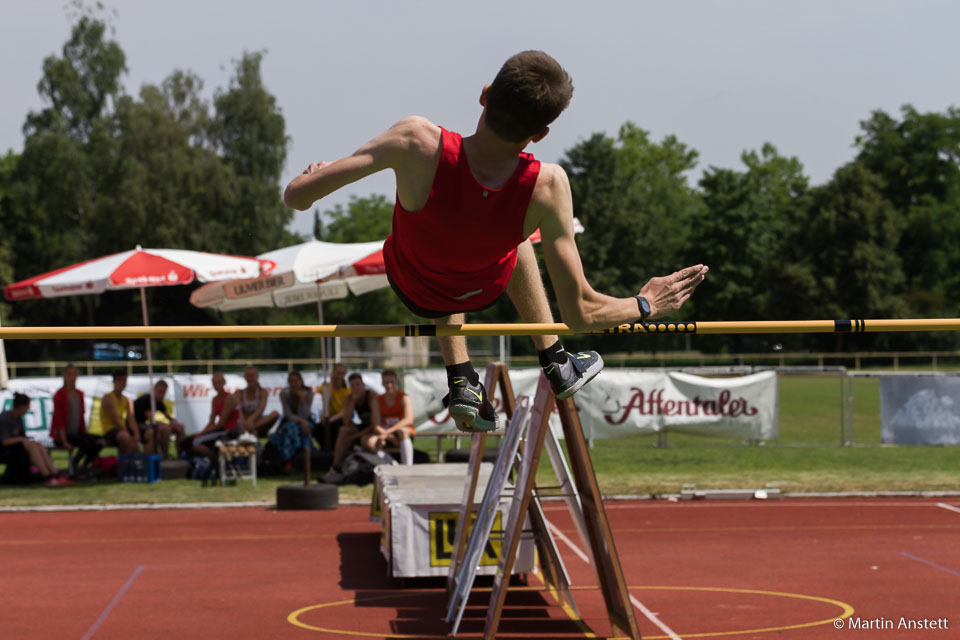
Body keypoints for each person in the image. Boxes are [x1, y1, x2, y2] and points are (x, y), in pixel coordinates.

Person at [284, 50, 708, 433]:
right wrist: (647, 303)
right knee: (517, 234)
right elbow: (582, 313)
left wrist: (312, 176)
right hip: (481, 286)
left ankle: (463, 379)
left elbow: (296, 198)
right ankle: (555, 360)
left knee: (460, 239)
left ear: (485, 95)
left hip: (415, 285)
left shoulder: (415, 140)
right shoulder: (547, 186)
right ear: (540, 133)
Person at [0, 393, 72, 486]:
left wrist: (24, 440)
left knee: (36, 444)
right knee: (31, 446)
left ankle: (54, 473)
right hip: (4, 450)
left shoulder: (18, 418)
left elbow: (22, 437)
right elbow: (4, 441)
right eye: (27, 406)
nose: (28, 409)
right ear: (22, 406)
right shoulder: (5, 419)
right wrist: (21, 439)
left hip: (15, 448)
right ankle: (47, 476)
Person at [50, 363, 103, 471]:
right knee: (85, 443)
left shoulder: (79, 394)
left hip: (77, 433)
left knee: (99, 441)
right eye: (70, 374)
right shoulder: (59, 395)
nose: (73, 377)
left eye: (74, 374)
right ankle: (73, 467)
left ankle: (84, 466)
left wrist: (84, 432)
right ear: (64, 376)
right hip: (64, 435)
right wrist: (64, 441)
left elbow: (81, 416)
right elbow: (59, 419)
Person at [330, 372, 383, 472]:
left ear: (363, 385)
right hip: (363, 427)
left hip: (375, 429)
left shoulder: (371, 396)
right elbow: (346, 422)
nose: (356, 388)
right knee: (343, 430)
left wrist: (355, 437)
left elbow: (375, 425)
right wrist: (353, 401)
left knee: (365, 441)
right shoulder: (349, 398)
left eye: (358, 384)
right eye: (353, 385)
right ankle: (336, 467)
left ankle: (374, 466)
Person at [181, 372, 240, 461]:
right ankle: (210, 461)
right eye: (215, 383)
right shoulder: (215, 399)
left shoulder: (229, 398)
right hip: (220, 430)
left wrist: (201, 434)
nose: (217, 386)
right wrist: (201, 433)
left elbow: (221, 424)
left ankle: (217, 462)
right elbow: (211, 422)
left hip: (229, 431)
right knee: (186, 442)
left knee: (194, 443)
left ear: (224, 382)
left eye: (219, 383)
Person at [269, 371, 315, 463]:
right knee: (291, 429)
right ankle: (289, 458)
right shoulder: (284, 394)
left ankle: (304, 458)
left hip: (306, 421)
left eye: (296, 381)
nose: (294, 384)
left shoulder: (309, 393)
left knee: (303, 429)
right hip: (291, 422)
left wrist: (301, 401)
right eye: (291, 382)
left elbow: (305, 414)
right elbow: (288, 414)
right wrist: (301, 421)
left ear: (301, 381)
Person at [133, 380, 186, 458]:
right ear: (154, 389)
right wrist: (168, 424)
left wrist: (174, 423)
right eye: (160, 391)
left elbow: (168, 417)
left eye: (164, 392)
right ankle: (165, 455)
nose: (161, 395)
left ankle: (181, 456)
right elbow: (152, 420)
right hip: (137, 426)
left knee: (180, 427)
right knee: (165, 429)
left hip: (145, 425)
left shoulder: (158, 401)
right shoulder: (147, 399)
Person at [377, 369, 416, 465]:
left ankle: (408, 467)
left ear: (396, 383)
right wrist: (387, 434)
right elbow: (376, 423)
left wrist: (389, 431)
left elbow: (409, 419)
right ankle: (394, 464)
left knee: (402, 431)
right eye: (386, 382)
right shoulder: (378, 399)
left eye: (391, 382)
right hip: (385, 433)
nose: (389, 385)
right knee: (370, 442)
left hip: (401, 433)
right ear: (382, 383)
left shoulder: (404, 397)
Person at [99, 369, 140, 455]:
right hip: (109, 431)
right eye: (119, 380)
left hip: (121, 430)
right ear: (114, 382)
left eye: (124, 380)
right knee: (125, 437)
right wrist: (130, 435)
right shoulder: (108, 398)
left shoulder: (127, 400)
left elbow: (131, 419)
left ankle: (130, 464)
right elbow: (116, 421)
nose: (122, 383)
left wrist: (136, 434)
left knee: (142, 437)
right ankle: (124, 465)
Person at [237, 365, 279, 437]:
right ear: (245, 377)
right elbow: (239, 411)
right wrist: (243, 421)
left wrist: (251, 420)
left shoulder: (262, 392)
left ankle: (250, 430)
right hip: (244, 423)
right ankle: (250, 431)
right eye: (248, 375)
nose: (250, 378)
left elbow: (261, 410)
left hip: (258, 423)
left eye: (252, 376)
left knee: (275, 413)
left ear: (257, 377)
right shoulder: (239, 393)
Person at [316, 363, 350, 450]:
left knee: (335, 426)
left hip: (338, 420)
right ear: (333, 373)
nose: (339, 376)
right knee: (317, 429)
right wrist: (331, 382)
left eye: (342, 374)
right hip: (327, 419)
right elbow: (328, 398)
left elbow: (344, 411)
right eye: (338, 373)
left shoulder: (347, 391)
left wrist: (331, 419)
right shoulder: (325, 387)